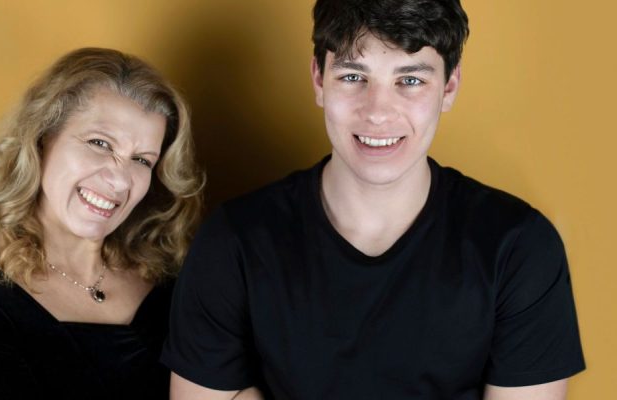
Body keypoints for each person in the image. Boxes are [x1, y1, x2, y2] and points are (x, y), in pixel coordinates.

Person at [161, 0, 585, 399]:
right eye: (353, 77)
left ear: (450, 86)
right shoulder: (233, 241)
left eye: (410, 80)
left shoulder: (519, 248)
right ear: (318, 79)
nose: (378, 112)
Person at [0, 47, 203, 399]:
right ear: (41, 138)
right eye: (100, 143)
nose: (120, 181)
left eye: (142, 160)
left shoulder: (169, 272)